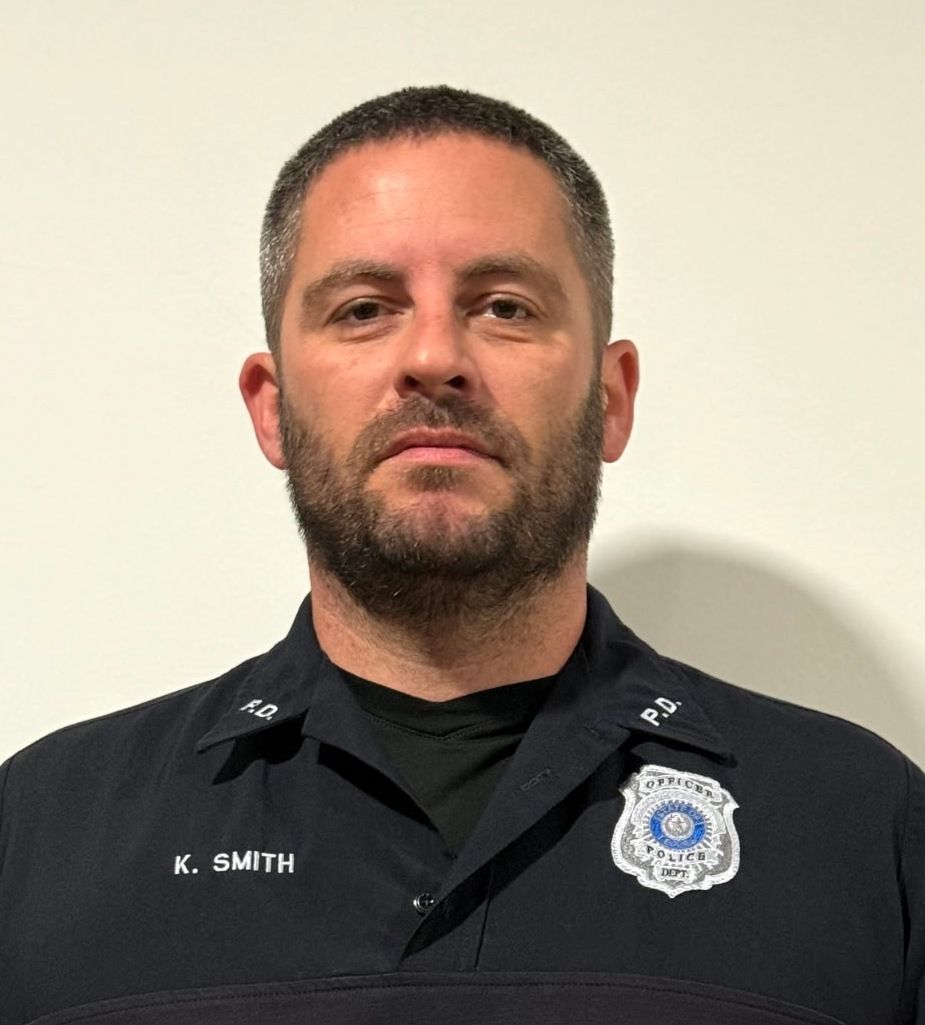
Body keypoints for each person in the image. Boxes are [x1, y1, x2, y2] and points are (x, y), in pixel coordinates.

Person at [1, 86, 922, 1025]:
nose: (434, 355)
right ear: (271, 407)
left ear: (610, 397)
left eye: (505, 306)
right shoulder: (39, 831)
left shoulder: (861, 824)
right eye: (364, 308)